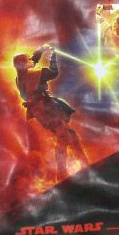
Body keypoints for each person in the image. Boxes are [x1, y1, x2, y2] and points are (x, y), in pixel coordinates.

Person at [13, 43, 89, 179]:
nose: (31, 61)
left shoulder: (20, 77)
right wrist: (53, 56)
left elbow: (32, 61)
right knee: (64, 135)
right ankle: (64, 170)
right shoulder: (33, 75)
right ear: (24, 64)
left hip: (39, 110)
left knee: (70, 135)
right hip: (45, 109)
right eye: (27, 60)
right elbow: (53, 72)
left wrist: (41, 50)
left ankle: (82, 163)